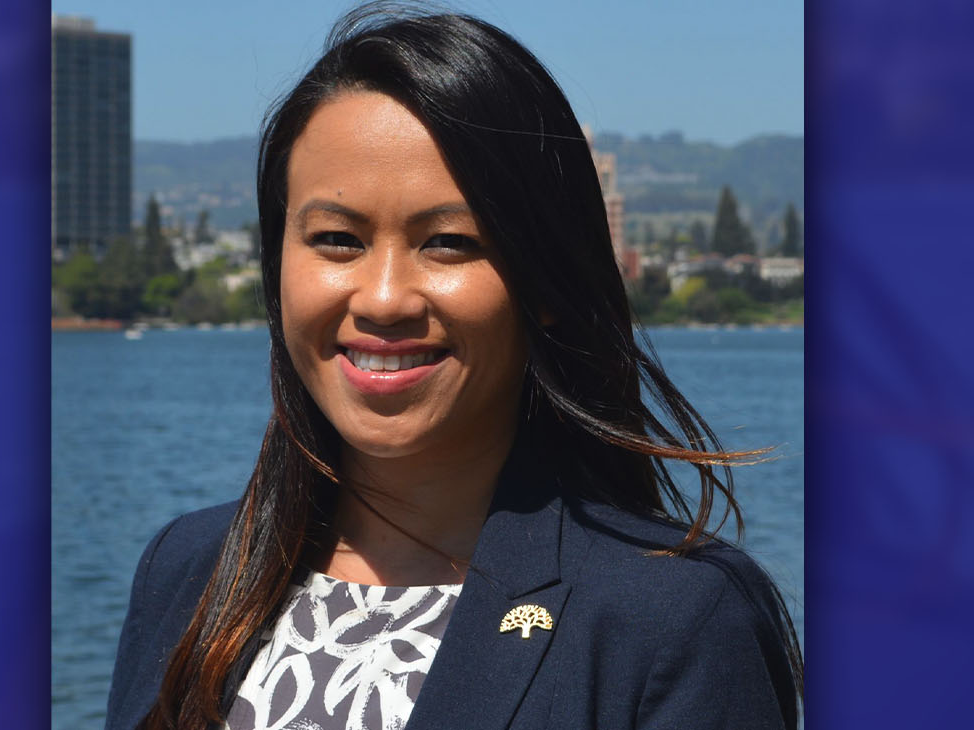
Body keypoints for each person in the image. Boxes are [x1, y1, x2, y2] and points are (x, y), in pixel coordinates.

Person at [106, 6, 802, 730]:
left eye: (448, 242)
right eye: (337, 239)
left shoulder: (672, 619)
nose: (383, 299)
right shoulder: (188, 570)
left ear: (546, 280)